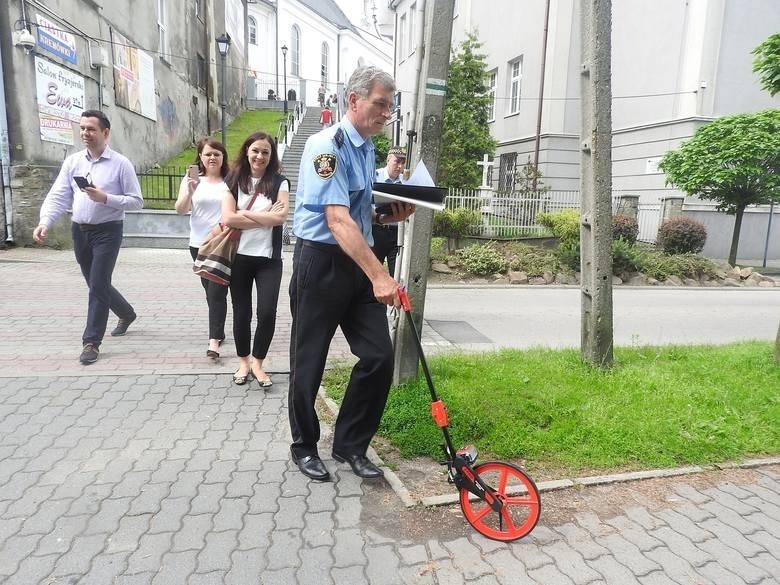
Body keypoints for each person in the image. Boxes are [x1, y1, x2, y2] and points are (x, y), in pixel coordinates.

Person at [289, 66, 415, 482]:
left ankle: (350, 446)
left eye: (390, 106)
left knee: (378, 356)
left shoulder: (366, 148)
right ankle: (305, 447)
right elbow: (337, 221)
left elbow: (358, 212)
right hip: (322, 264)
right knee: (309, 361)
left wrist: (386, 213)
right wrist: (381, 276)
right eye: (380, 104)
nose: (386, 113)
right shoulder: (327, 146)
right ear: (354, 100)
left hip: (358, 263)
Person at [33, 110, 143, 365]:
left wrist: (106, 198)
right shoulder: (73, 162)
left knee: (98, 285)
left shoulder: (120, 164)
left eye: (91, 129)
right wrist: (45, 221)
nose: (85, 133)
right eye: (82, 128)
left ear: (105, 132)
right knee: (96, 284)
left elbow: (137, 201)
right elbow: (59, 195)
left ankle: (91, 341)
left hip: (108, 231)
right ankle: (126, 313)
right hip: (80, 231)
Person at [222, 132, 289, 388]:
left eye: (265, 152)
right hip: (239, 258)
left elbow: (280, 218)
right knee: (242, 313)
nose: (260, 156)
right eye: (256, 151)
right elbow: (228, 218)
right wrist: (263, 215)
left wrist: (244, 212)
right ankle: (243, 361)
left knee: (267, 312)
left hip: (269, 260)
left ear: (271, 156)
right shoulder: (233, 179)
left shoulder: (280, 182)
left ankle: (258, 363)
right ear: (247, 151)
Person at [175, 137, 230, 361]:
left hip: (222, 244)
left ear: (223, 157)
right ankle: (220, 329)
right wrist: (189, 191)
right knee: (210, 293)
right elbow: (180, 210)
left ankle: (214, 341)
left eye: (217, 153)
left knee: (217, 292)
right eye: (208, 154)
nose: (212, 158)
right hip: (197, 244)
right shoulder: (190, 180)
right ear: (200, 157)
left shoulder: (231, 181)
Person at [372, 145, 406, 276]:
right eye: (396, 162)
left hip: (396, 233)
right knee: (372, 274)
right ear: (388, 160)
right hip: (377, 230)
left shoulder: (406, 182)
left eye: (402, 163)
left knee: (395, 274)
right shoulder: (375, 176)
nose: (400, 166)